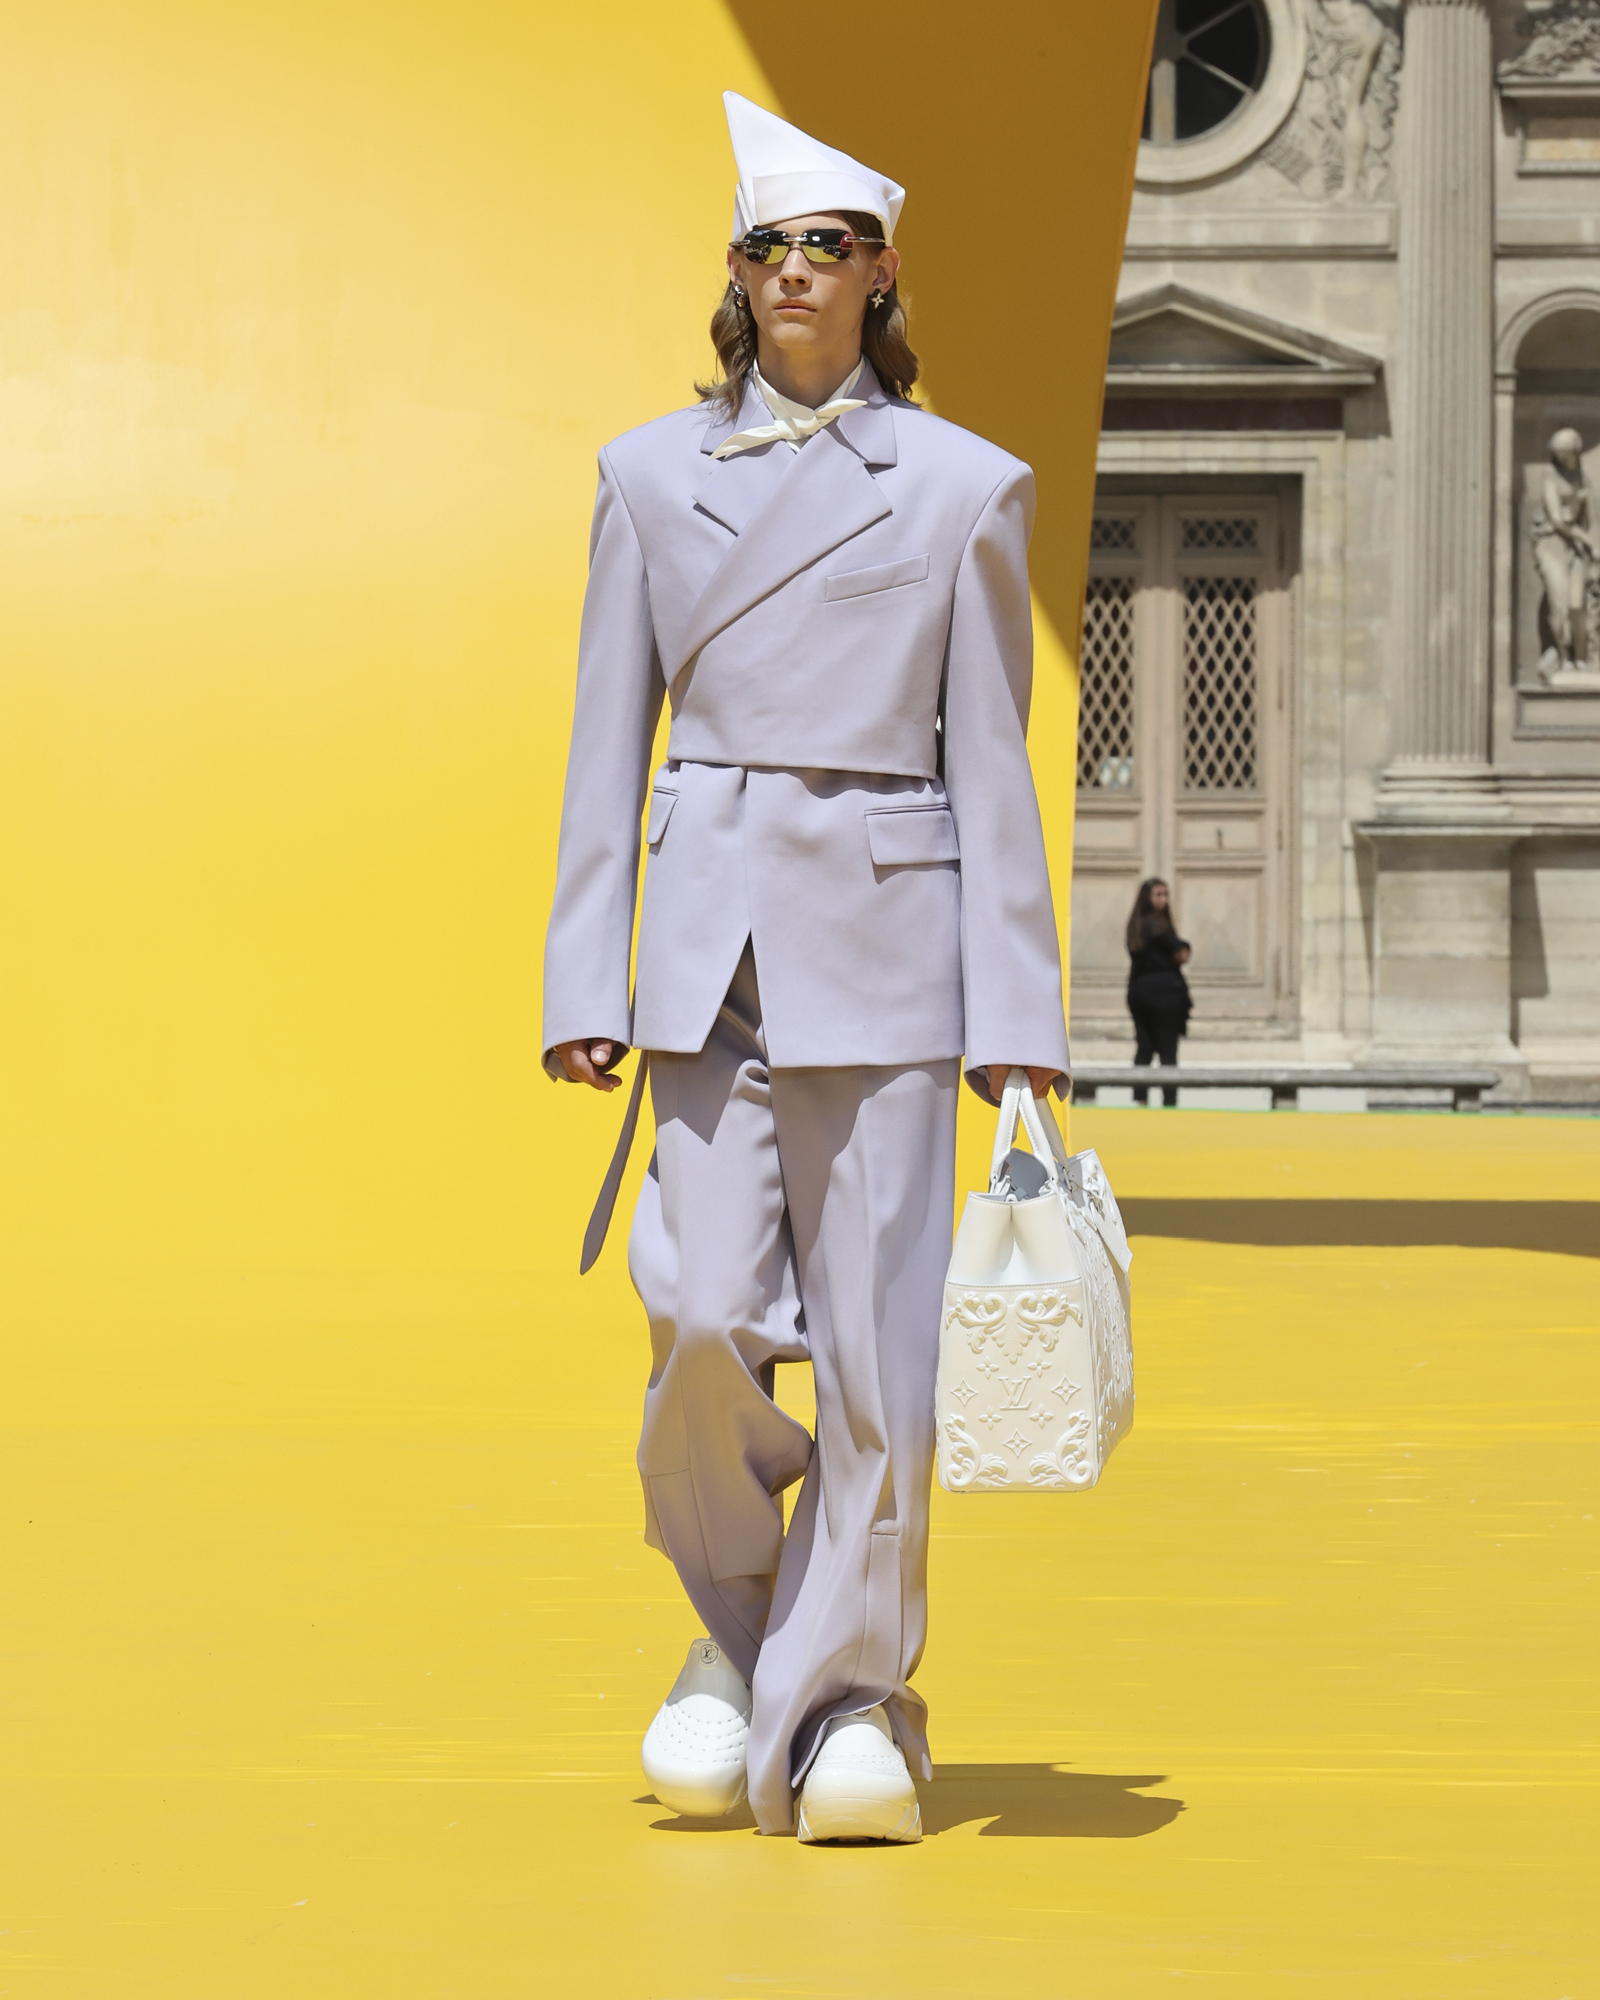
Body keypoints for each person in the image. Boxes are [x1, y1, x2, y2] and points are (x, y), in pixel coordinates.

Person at [541, 92, 1070, 1844]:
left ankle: (850, 1698)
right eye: (763, 244)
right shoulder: (643, 474)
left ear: (879, 275)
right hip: (708, 954)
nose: (790, 272)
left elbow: (994, 759)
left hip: (894, 943)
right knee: (698, 1326)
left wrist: (1022, 1021)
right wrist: (582, 982)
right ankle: (744, 1631)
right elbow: (605, 741)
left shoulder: (961, 484)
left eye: (823, 246)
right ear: (736, 275)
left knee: (873, 1354)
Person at [1126, 878, 1190, 1108]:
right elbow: (1181, 952)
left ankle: (1140, 1100)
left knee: (1144, 1047)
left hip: (1139, 992)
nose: (1164, 900)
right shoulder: (1159, 925)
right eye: (1158, 895)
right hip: (1164, 994)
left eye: (1166, 894)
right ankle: (1169, 1103)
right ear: (1148, 898)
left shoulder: (1135, 926)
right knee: (1167, 1050)